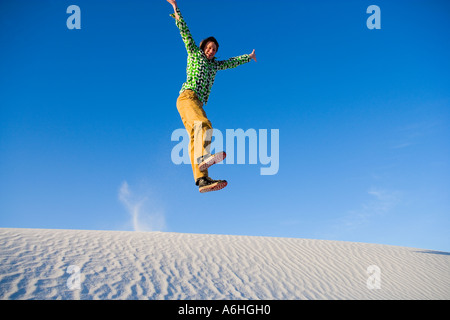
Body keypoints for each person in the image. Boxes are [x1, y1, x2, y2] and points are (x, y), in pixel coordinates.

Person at [167, 0, 257, 193]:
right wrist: (176, 8)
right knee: (204, 125)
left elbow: (230, 63)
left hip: (196, 102)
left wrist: (247, 57)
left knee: (195, 137)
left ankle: (202, 180)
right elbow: (185, 33)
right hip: (187, 97)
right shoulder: (194, 53)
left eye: (214, 49)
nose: (211, 51)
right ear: (203, 47)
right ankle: (203, 158)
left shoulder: (214, 65)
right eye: (209, 48)